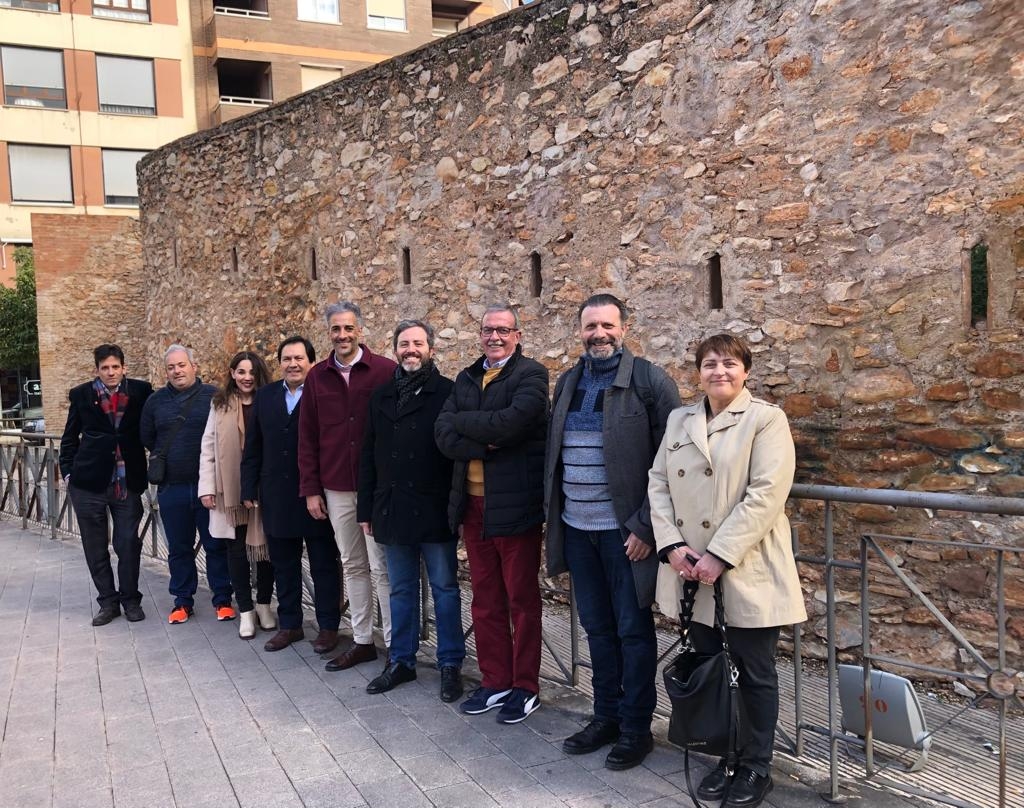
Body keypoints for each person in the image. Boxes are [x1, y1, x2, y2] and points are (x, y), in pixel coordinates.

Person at [649, 333, 807, 808]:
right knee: (713, 666)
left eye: (730, 363)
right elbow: (657, 483)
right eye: (710, 363)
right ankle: (726, 755)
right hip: (690, 570)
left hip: (745, 567)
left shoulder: (766, 419)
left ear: (746, 370)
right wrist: (672, 547)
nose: (720, 371)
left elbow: (766, 493)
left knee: (754, 672)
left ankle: (757, 764)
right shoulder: (680, 419)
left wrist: (719, 554)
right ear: (698, 371)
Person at [544, 294, 680, 769]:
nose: (598, 334)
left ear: (624, 328)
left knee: (632, 631)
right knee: (597, 629)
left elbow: (672, 460)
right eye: (589, 326)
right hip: (578, 530)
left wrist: (645, 525)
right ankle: (605, 715)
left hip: (627, 536)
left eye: (607, 325)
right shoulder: (568, 381)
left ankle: (636, 727)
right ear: (579, 331)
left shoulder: (649, 381)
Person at [435, 304, 548, 724]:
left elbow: (513, 424)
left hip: (515, 506)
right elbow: (443, 435)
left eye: (503, 330)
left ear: (517, 335)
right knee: (484, 599)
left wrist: (470, 425)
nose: (495, 337)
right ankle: (495, 680)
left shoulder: (532, 374)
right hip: (472, 505)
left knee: (521, 599)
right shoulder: (466, 378)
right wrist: (483, 441)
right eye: (488, 330)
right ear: (479, 335)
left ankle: (525, 686)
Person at [358, 319, 465, 701]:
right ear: (395, 349)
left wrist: (459, 508)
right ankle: (401, 661)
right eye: (404, 343)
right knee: (401, 589)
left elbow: (458, 458)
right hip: (392, 508)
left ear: (431, 349)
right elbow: (368, 454)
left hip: (435, 508)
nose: (411, 350)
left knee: (445, 589)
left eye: (418, 343)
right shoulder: (381, 396)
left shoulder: (449, 392)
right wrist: (365, 507)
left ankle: (450, 663)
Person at [298, 301, 397, 671]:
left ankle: (395, 643)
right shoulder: (316, 377)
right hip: (336, 486)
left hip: (375, 486)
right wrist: (311, 489)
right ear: (329, 333)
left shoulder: (384, 371)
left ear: (360, 331)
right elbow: (307, 436)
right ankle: (361, 640)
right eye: (336, 329)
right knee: (352, 564)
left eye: (348, 328)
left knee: (382, 565)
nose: (342, 335)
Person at [241, 337, 342, 654]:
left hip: (315, 494)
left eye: (299, 358)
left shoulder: (324, 394)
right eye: (287, 358)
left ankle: (327, 627)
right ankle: (291, 625)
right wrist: (248, 487)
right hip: (276, 494)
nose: (293, 364)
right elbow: (254, 446)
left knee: (323, 564)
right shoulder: (266, 396)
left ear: (311, 362)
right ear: (280, 362)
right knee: (283, 564)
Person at [59, 344, 154, 626]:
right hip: (88, 485)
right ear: (97, 370)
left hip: (128, 484)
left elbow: (152, 427)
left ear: (124, 368)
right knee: (95, 547)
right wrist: (67, 473)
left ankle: (131, 600)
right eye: (105, 368)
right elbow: (69, 438)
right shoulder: (81, 395)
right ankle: (108, 602)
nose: (111, 372)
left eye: (115, 367)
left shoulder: (141, 391)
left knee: (128, 544)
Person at [140, 344, 233, 624]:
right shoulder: (155, 402)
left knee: (215, 544)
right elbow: (147, 436)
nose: (177, 371)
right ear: (165, 371)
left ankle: (223, 600)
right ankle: (182, 601)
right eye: (171, 367)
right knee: (179, 548)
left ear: (194, 367)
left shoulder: (214, 396)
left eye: (182, 365)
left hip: (209, 488)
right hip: (172, 487)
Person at [199, 351, 276, 639]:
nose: (247, 377)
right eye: (241, 372)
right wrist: (206, 488)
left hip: (263, 486)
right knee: (237, 550)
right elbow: (208, 447)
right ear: (232, 374)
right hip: (229, 489)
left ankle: (265, 604)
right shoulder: (219, 404)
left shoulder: (269, 400)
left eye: (252, 372)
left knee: (266, 548)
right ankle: (245, 610)